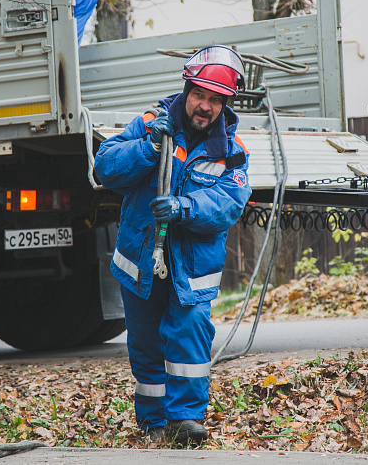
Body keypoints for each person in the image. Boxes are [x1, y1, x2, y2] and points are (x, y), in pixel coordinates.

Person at [94, 45, 252, 445]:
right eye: (200, 94)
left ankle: (184, 421)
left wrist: (184, 207)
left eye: (216, 100)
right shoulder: (151, 123)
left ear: (225, 104)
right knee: (145, 345)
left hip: (190, 270)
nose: (205, 106)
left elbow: (227, 204)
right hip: (141, 262)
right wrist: (147, 149)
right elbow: (105, 167)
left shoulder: (233, 154)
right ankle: (152, 422)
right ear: (186, 89)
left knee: (189, 332)